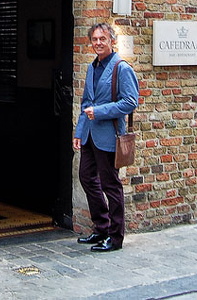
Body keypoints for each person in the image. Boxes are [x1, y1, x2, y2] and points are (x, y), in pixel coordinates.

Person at [72, 22, 139, 252]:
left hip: (109, 135)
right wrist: (79, 132)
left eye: (103, 39)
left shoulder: (122, 68)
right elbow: (86, 103)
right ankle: (101, 227)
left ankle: (115, 236)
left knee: (111, 185)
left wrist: (100, 112)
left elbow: (130, 102)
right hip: (90, 135)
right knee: (86, 177)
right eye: (95, 39)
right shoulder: (92, 67)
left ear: (112, 41)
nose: (98, 43)